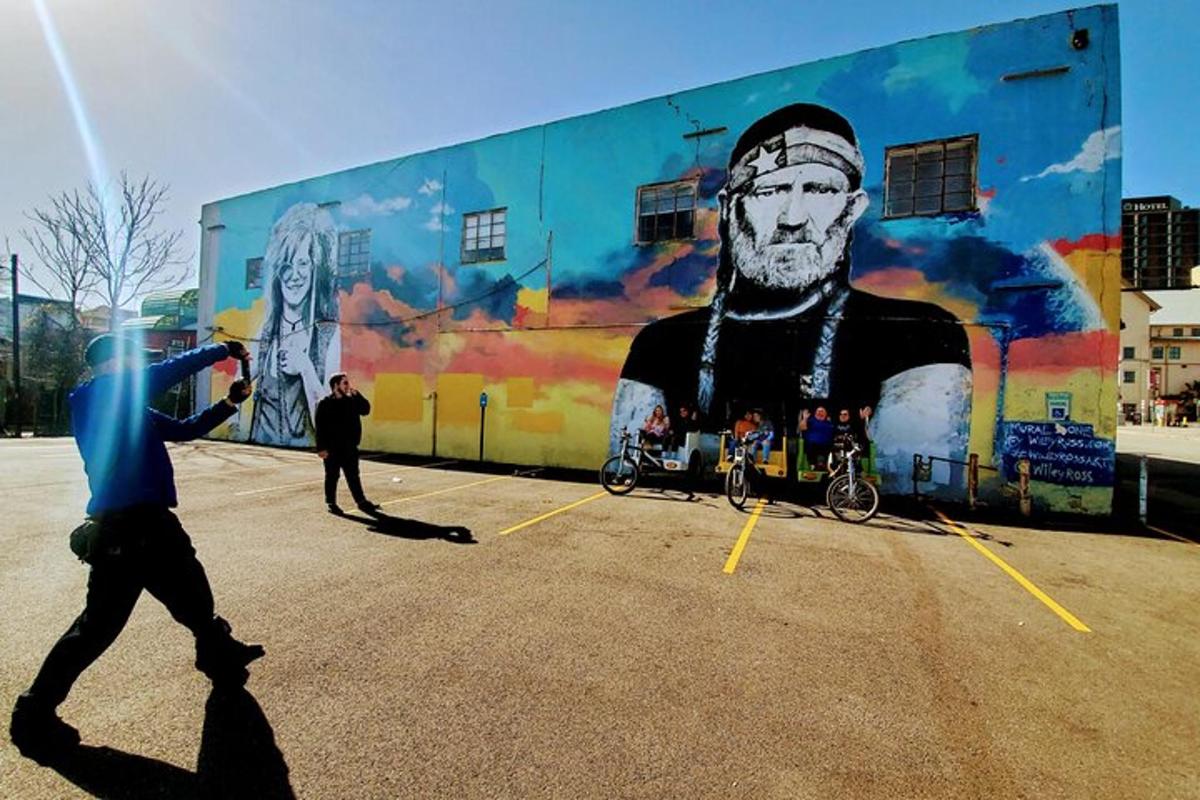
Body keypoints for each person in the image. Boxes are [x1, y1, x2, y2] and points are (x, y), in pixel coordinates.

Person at [610, 102, 972, 491]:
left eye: (819, 189)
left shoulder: (922, 338)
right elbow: (623, 452)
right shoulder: (660, 344)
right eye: (770, 190)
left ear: (852, 209)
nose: (793, 218)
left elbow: (925, 485)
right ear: (731, 209)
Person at [9, 335, 264, 760]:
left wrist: (229, 403)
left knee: (195, 598)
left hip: (152, 523)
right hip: (125, 530)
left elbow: (184, 431)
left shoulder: (129, 407)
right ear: (112, 364)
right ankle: (32, 712)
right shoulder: (97, 398)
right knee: (97, 627)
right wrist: (223, 350)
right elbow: (168, 372)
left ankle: (218, 655)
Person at [249, 202, 342, 448]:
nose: (294, 275)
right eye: (286, 266)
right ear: (278, 273)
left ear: (315, 269)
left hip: (306, 456)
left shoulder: (328, 334)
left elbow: (329, 421)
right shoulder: (267, 329)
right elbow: (240, 386)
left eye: (303, 264)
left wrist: (305, 368)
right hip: (260, 453)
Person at [315, 373, 379, 515]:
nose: (348, 386)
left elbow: (366, 410)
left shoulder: (351, 401)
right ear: (336, 386)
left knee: (353, 475)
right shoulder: (325, 404)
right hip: (331, 449)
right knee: (332, 476)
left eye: (347, 383)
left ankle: (361, 501)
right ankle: (331, 502)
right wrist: (321, 448)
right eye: (345, 383)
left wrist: (357, 395)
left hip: (349, 447)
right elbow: (320, 427)